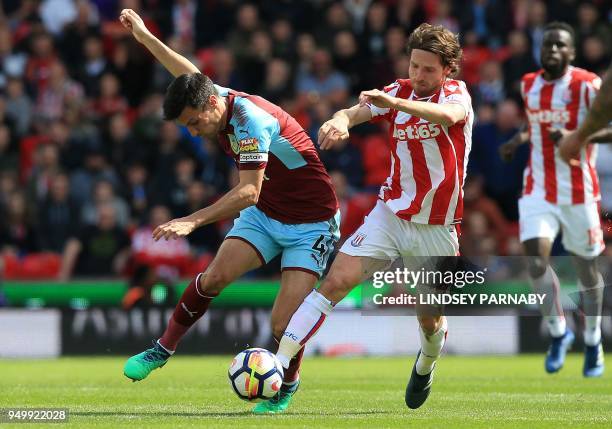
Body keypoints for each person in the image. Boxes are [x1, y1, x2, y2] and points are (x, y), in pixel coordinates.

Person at [118, 9, 339, 414]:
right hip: (269, 215)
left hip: (311, 224)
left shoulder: (249, 121)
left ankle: (286, 386)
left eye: (192, 122)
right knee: (214, 277)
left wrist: (192, 219)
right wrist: (146, 38)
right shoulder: (212, 96)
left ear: (211, 106)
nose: (192, 130)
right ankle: (162, 349)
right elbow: (184, 71)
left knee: (282, 325)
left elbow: (248, 192)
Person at [275, 23, 472, 409]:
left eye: (428, 69)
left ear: (448, 69)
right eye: (414, 66)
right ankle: (279, 367)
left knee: (429, 321)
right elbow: (356, 111)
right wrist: (340, 121)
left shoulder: (457, 95)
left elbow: (447, 117)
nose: (418, 75)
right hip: (391, 214)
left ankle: (427, 361)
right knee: (336, 282)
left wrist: (394, 104)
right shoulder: (398, 90)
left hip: (437, 227)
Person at [498, 22, 605, 377]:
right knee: (535, 262)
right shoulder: (529, 84)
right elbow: (536, 125)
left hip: (579, 190)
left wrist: (578, 136)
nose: (553, 51)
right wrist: (518, 140)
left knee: (587, 270)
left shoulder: (588, 85)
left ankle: (592, 339)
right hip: (538, 188)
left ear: (571, 53)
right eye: (548, 45)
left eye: (560, 46)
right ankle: (559, 333)